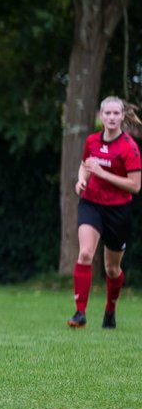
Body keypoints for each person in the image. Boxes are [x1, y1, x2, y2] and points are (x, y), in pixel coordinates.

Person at [68, 96, 142, 329]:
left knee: (112, 269)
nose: (111, 117)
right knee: (85, 254)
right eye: (106, 113)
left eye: (115, 113)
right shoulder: (91, 140)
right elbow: (85, 164)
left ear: (122, 117)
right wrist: (81, 180)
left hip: (118, 210)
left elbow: (135, 185)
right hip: (91, 204)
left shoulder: (129, 147)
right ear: (100, 116)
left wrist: (102, 173)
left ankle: (110, 310)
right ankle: (80, 313)